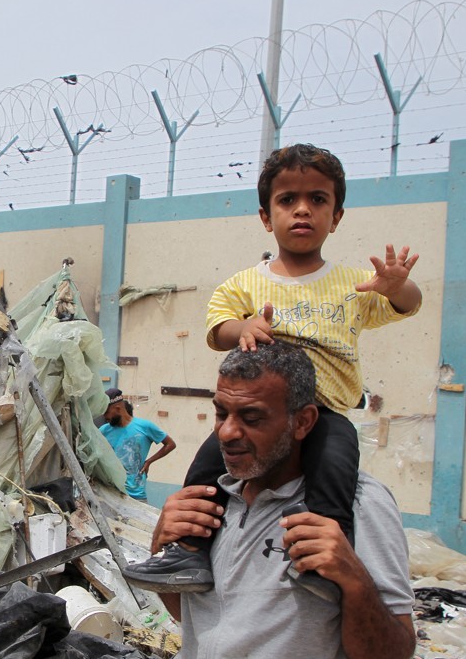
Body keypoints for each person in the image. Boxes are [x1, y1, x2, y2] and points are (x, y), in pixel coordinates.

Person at [124, 143, 421, 592]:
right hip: (263, 410)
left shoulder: (354, 284)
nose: (303, 210)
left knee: (335, 470)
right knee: (206, 468)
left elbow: (407, 307)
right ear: (266, 216)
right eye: (287, 200)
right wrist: (242, 326)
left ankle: (320, 564)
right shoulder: (246, 283)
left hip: (325, 412)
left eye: (318, 200)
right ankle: (188, 553)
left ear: (336, 216)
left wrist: (399, 287)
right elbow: (216, 327)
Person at [156, 343, 415, 659]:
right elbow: (204, 619)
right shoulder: (214, 500)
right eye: (221, 413)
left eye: (252, 417)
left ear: (303, 421)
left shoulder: (359, 508)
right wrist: (165, 547)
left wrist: (353, 580)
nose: (227, 433)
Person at [99, 389, 176, 502]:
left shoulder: (144, 426)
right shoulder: (103, 431)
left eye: (106, 412)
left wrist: (149, 461)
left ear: (117, 408)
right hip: (111, 493)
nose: (105, 416)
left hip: (136, 494)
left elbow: (170, 444)